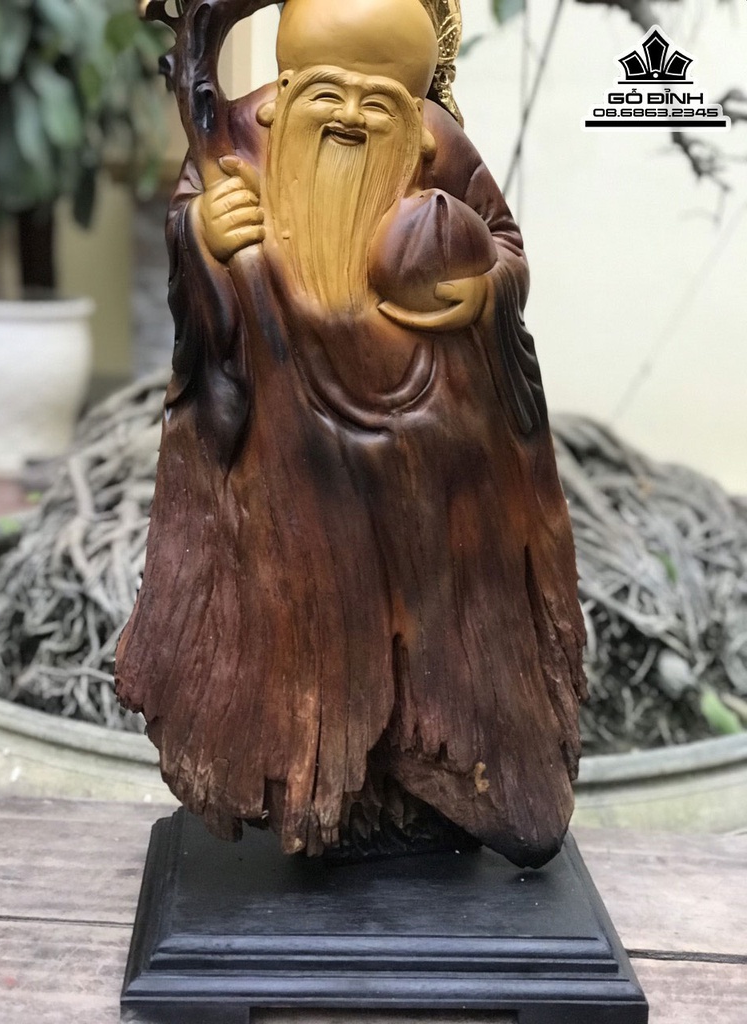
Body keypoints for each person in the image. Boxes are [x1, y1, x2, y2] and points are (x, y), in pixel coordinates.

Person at [116, 0, 587, 868]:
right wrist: (203, 235)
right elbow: (190, 241)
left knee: (443, 618)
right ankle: (312, 784)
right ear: (284, 91)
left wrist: (485, 290)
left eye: (380, 102)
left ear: (415, 109)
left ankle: (455, 766)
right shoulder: (237, 138)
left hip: (437, 443)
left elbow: (507, 244)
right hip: (289, 435)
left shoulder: (439, 144)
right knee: (300, 616)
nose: (352, 117)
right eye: (328, 93)